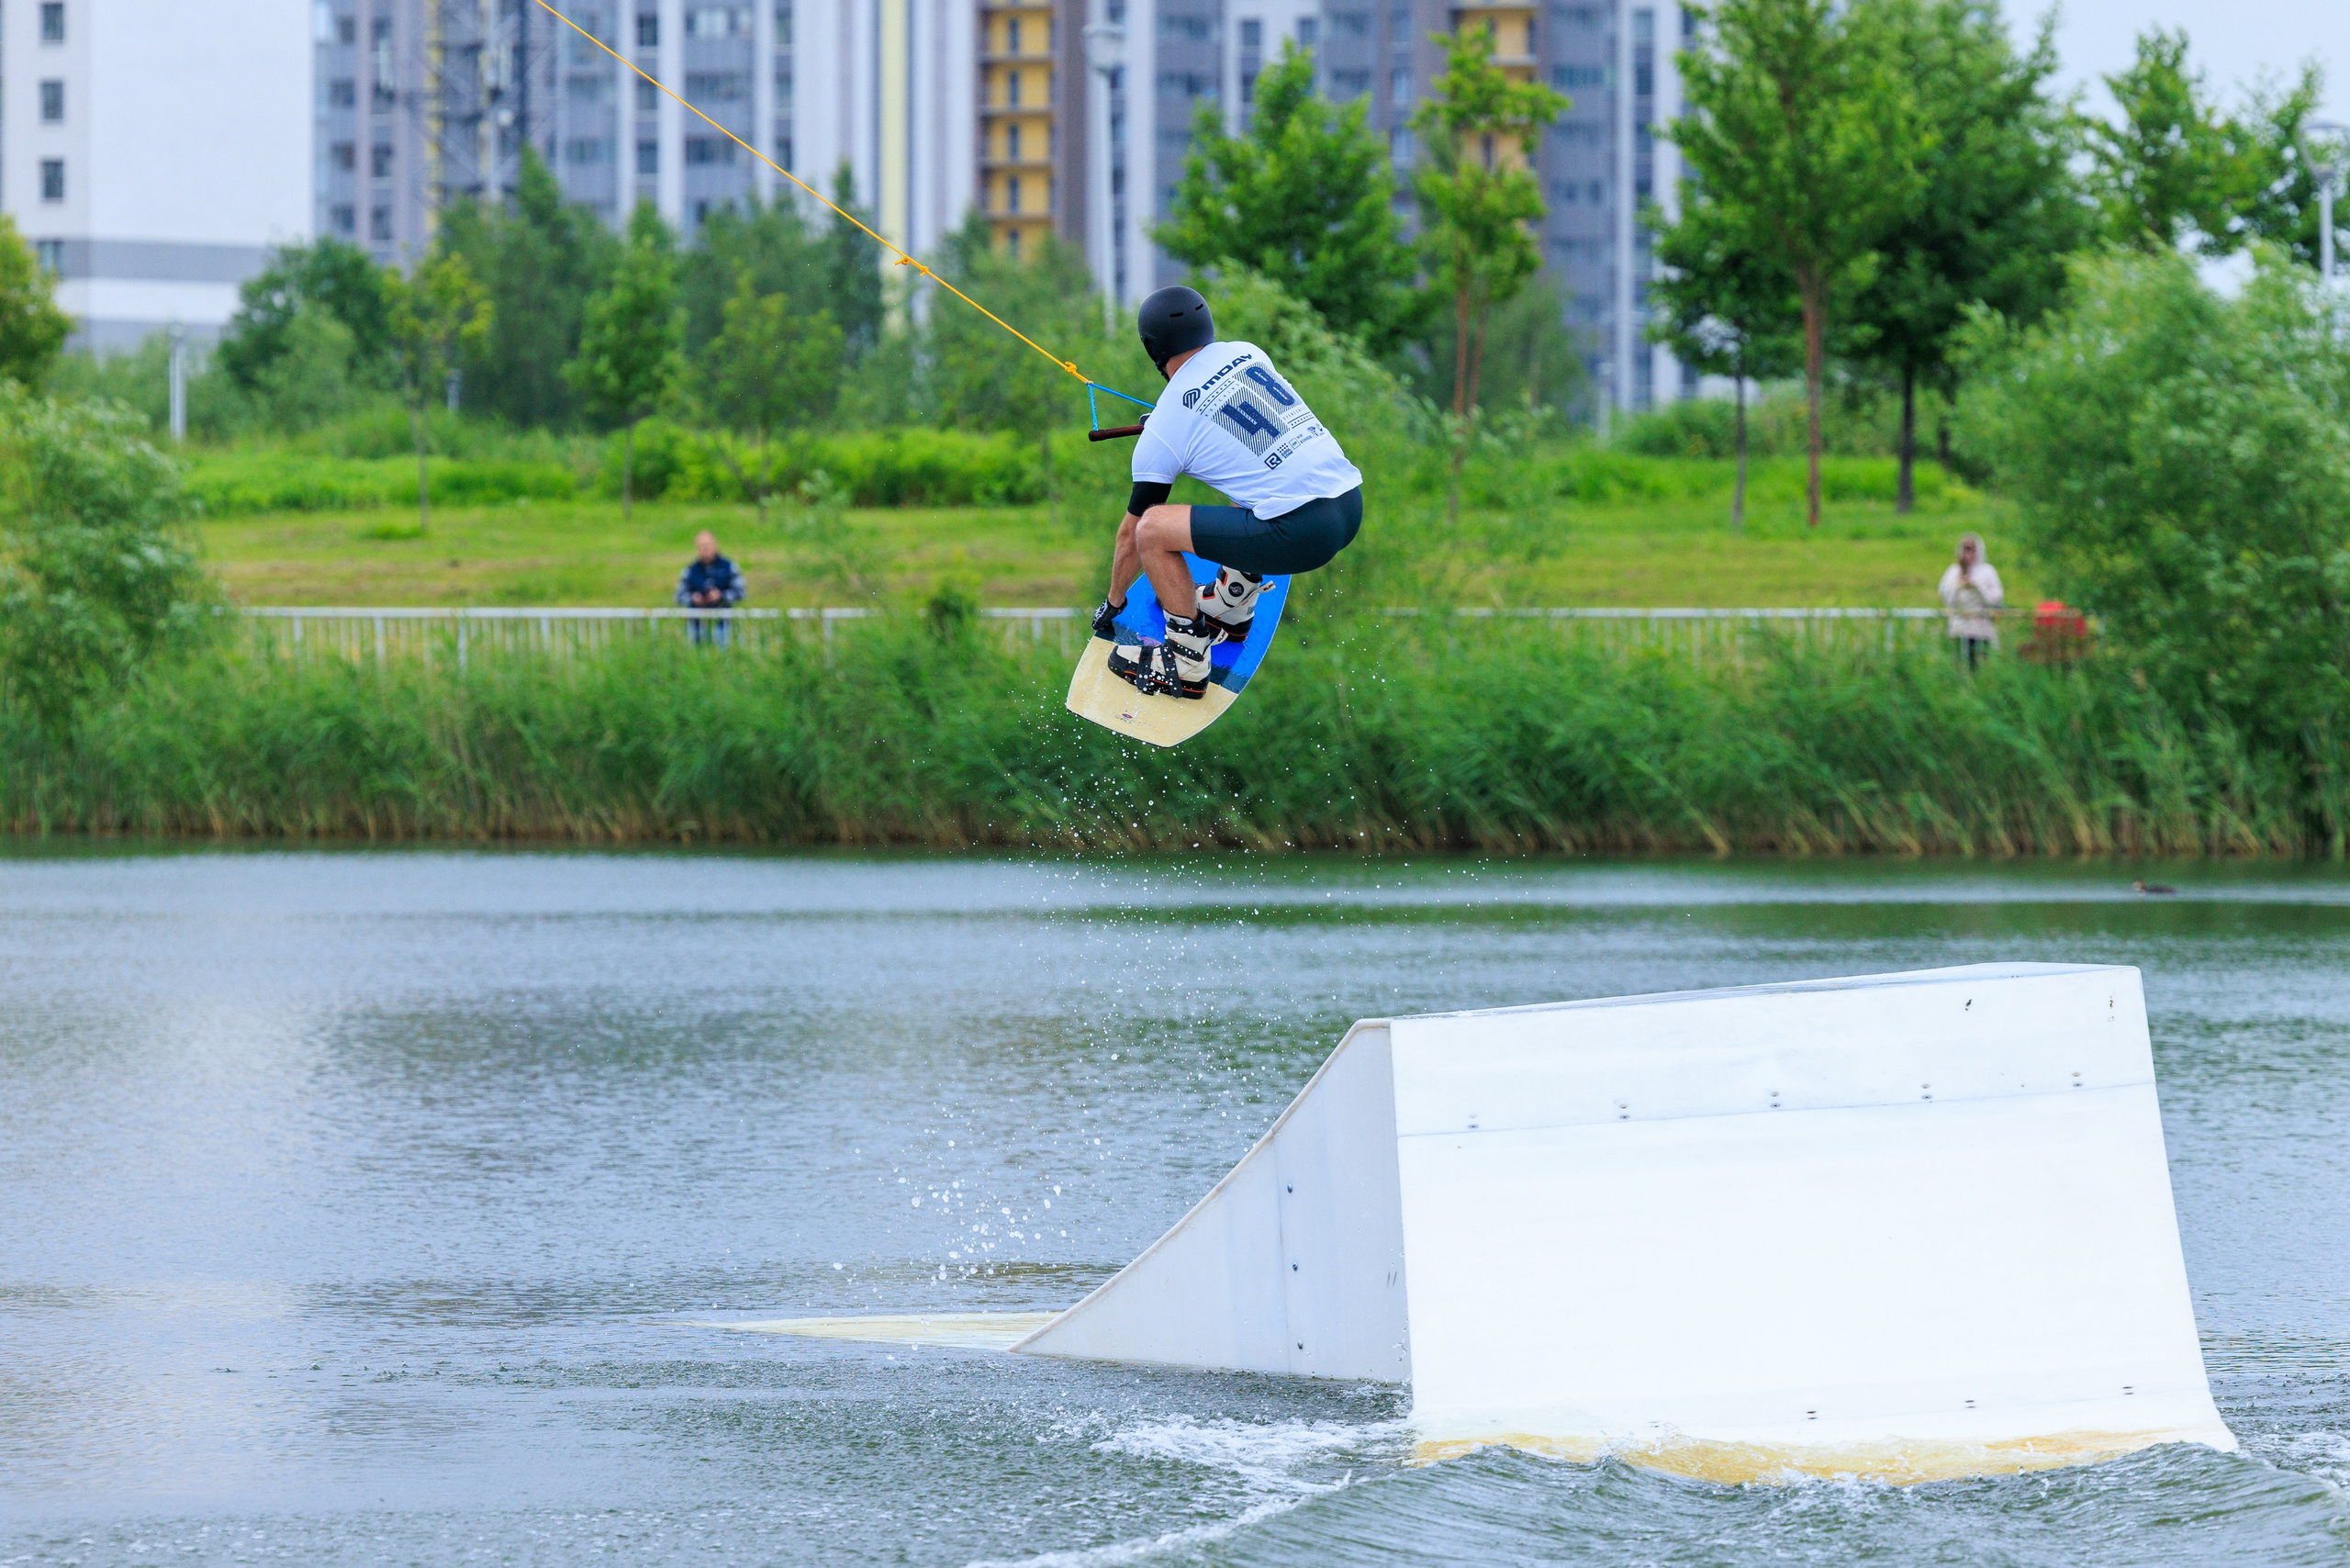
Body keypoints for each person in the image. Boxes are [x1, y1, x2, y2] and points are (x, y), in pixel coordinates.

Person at [1091, 286, 1365, 699]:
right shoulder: (1248, 353)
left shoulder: (1164, 428)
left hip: (1300, 531)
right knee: (1245, 478)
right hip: (1349, 504)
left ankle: (1185, 659)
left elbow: (1131, 536)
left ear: (1152, 348)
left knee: (1151, 528)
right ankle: (1230, 608)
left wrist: (1112, 605)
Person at [1938, 532, 2003, 670]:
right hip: (1959, 628)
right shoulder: (1953, 572)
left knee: (1980, 664)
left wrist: (1977, 586)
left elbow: (1995, 598)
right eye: (1965, 548)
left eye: (1971, 548)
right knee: (1960, 664)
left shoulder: (1987, 571)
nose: (1968, 553)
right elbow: (1947, 599)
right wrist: (1959, 583)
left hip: (1980, 627)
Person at [677, 529, 746, 645]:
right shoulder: (690, 570)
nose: (704, 549)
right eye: (701, 546)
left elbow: (741, 592)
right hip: (696, 624)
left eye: (707, 545)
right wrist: (694, 598)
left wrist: (721, 596)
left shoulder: (728, 567)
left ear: (715, 545)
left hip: (722, 623)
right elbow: (679, 595)